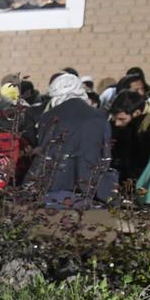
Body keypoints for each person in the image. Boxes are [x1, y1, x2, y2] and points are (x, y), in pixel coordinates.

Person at [28, 73, 115, 209]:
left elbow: (45, 153)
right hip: (92, 187)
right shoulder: (99, 117)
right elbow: (105, 154)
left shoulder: (50, 117)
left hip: (55, 186)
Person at [109, 90, 150, 184]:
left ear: (137, 113)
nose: (117, 123)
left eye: (121, 119)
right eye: (115, 119)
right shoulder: (122, 126)